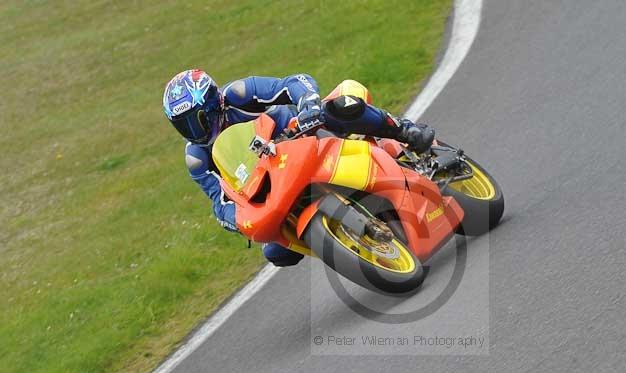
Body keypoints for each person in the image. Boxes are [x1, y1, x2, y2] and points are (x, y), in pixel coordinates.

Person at [162, 69, 434, 266]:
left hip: (300, 135)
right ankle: (352, 246)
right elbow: (220, 200)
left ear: (209, 104)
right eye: (181, 125)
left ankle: (405, 130)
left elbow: (292, 83)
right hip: (271, 183)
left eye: (193, 120)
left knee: (341, 107)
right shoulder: (197, 157)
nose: (191, 130)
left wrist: (308, 105)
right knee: (276, 253)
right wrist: (234, 219)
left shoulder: (239, 94)